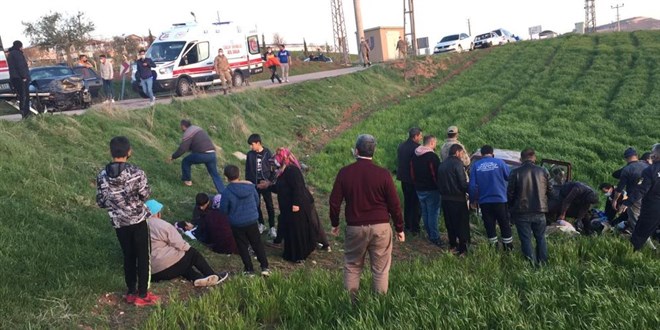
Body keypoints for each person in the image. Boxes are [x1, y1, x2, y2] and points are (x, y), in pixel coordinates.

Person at [329, 134, 404, 300]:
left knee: (352, 266)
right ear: (374, 151)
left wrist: (335, 223)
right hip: (381, 227)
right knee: (380, 269)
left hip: (355, 227)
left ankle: (350, 304)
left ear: (356, 151)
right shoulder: (383, 174)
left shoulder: (345, 173)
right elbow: (394, 204)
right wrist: (399, 228)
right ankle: (378, 306)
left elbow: (334, 202)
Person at [96, 136, 159, 306]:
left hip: (119, 222)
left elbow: (101, 201)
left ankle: (131, 291)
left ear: (111, 152)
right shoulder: (136, 172)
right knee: (143, 256)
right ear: (129, 152)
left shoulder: (102, 175)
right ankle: (143, 293)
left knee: (128, 256)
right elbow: (145, 194)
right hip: (137, 219)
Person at [259, 148, 329, 262]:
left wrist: (296, 204)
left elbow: (298, 188)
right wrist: (268, 186)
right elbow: (281, 188)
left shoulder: (292, 171)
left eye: (277, 159)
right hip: (288, 206)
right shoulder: (283, 171)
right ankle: (290, 251)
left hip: (297, 206)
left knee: (299, 230)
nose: (275, 163)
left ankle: (300, 255)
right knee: (289, 228)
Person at [145, 199, 229, 287]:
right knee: (192, 253)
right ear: (158, 213)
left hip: (153, 274)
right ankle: (213, 275)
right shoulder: (162, 225)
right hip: (167, 267)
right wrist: (187, 249)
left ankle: (197, 278)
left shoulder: (138, 226)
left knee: (181, 262)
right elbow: (180, 244)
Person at [219, 165, 271, 277]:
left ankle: (249, 270)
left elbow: (223, 210)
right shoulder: (251, 187)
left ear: (226, 177)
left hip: (237, 223)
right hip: (252, 220)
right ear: (239, 174)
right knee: (257, 243)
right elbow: (257, 202)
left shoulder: (227, 192)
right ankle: (265, 267)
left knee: (242, 246)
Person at [507, 148, 552, 265]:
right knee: (541, 238)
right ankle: (543, 263)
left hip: (521, 212)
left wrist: (511, 209)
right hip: (540, 210)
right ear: (534, 157)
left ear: (521, 159)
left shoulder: (515, 172)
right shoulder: (543, 171)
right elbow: (551, 191)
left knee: (526, 239)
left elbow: (510, 194)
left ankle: (531, 265)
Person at [468, 145, 513, 250]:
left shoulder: (476, 166)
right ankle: (508, 248)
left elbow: (472, 186)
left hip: (485, 201)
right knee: (504, 223)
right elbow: (509, 177)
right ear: (492, 154)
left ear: (481, 154)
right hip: (500, 199)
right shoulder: (500, 163)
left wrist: (473, 200)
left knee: (489, 224)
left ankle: (494, 248)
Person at [168, 120, 225, 194]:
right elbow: (197, 143)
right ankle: (222, 192)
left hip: (203, 154)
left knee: (186, 161)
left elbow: (182, 148)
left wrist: (173, 157)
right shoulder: (197, 128)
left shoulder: (188, 132)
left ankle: (187, 181)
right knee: (214, 173)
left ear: (183, 126)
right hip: (212, 154)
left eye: (180, 126)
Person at [621, 143, 660, 251]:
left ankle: (630, 257)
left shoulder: (650, 170)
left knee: (639, 233)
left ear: (655, 155)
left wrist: (627, 202)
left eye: (653, 153)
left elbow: (642, 189)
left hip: (653, 206)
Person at [437, 144, 470, 255]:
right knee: (462, 224)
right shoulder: (458, 164)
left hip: (445, 199)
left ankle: (452, 245)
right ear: (457, 152)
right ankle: (463, 248)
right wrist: (469, 190)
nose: (462, 155)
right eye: (462, 153)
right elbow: (462, 183)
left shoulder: (442, 165)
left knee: (450, 223)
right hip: (458, 199)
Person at [410, 135, 442, 246]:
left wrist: (416, 184)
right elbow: (436, 174)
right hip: (432, 189)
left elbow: (412, 172)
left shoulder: (415, 154)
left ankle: (429, 233)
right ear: (432, 143)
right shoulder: (432, 157)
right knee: (433, 213)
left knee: (425, 212)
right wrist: (438, 186)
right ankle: (434, 237)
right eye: (436, 143)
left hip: (419, 188)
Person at [245, 134, 276, 237]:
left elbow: (273, 169)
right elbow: (247, 170)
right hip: (254, 184)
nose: (251, 147)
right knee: (256, 205)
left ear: (258, 143)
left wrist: (270, 181)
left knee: (269, 205)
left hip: (265, 184)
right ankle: (261, 223)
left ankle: (272, 226)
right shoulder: (250, 155)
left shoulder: (267, 153)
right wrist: (249, 184)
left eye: (252, 144)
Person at [613, 147, 649, 231]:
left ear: (626, 158)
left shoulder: (627, 169)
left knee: (634, 219)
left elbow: (620, 188)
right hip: (649, 196)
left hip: (634, 198)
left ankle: (642, 240)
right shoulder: (647, 165)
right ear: (637, 156)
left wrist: (615, 200)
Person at [396, 127, 422, 235]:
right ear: (415, 136)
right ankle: (415, 227)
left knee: (407, 202)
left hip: (403, 178)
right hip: (413, 179)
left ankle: (407, 225)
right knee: (415, 204)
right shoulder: (417, 148)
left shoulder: (401, 146)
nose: (421, 138)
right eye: (420, 136)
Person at [6, 40, 33, 119]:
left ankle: (22, 112)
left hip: (14, 78)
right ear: (19, 46)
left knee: (21, 95)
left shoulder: (10, 54)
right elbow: (20, 66)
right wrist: (24, 77)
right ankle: (25, 113)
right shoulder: (18, 54)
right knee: (25, 96)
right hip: (21, 78)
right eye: (22, 46)